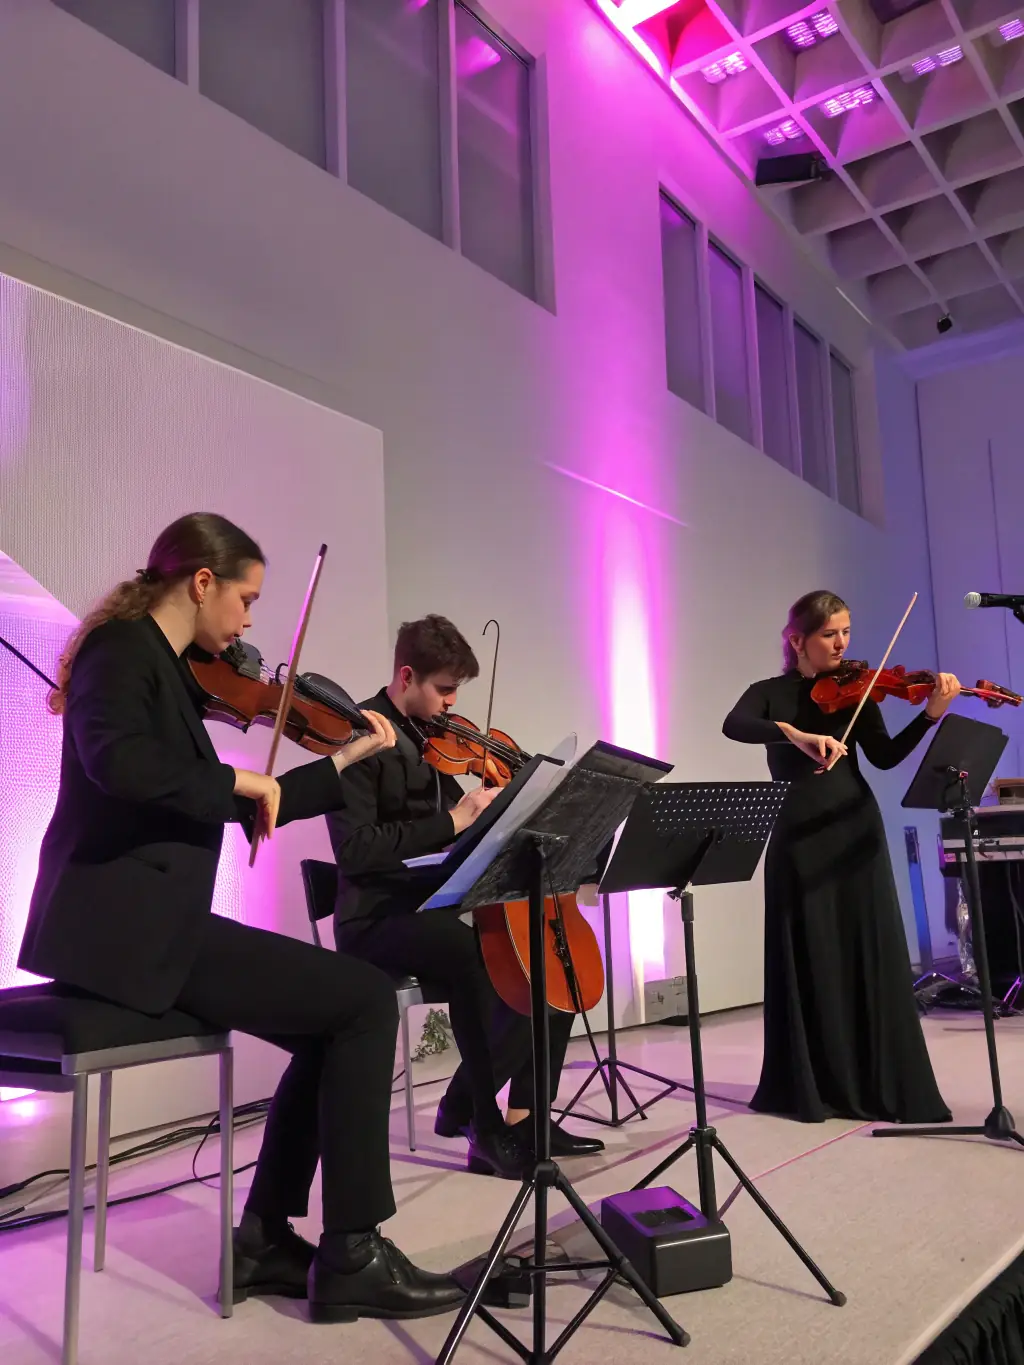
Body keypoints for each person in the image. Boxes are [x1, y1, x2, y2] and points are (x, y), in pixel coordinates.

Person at [18, 513, 466, 1324]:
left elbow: (261, 801)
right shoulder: (122, 653)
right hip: (126, 932)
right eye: (247, 597)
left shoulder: (167, 667)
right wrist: (234, 782)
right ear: (201, 582)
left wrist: (344, 762)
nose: (251, 621)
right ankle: (353, 1252)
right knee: (364, 1001)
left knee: (336, 1017)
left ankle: (264, 1237)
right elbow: (120, 762)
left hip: (159, 922)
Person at [328, 614, 603, 1178]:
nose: (454, 705)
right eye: (445, 689)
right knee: (480, 964)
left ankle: (529, 1115)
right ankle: (483, 1123)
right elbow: (355, 850)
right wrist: (453, 820)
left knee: (548, 958)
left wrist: (509, 813)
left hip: (434, 906)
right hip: (378, 917)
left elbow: (464, 834)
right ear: (407, 675)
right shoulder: (358, 738)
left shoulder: (433, 742)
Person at [722, 590, 957, 1125]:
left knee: (864, 947)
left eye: (847, 631)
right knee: (809, 949)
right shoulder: (768, 693)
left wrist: (930, 716)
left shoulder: (859, 691)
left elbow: (886, 755)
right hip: (797, 836)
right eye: (831, 633)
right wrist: (795, 733)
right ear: (797, 640)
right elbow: (734, 725)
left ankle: (875, 1079)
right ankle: (813, 1082)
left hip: (854, 830)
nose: (843, 643)